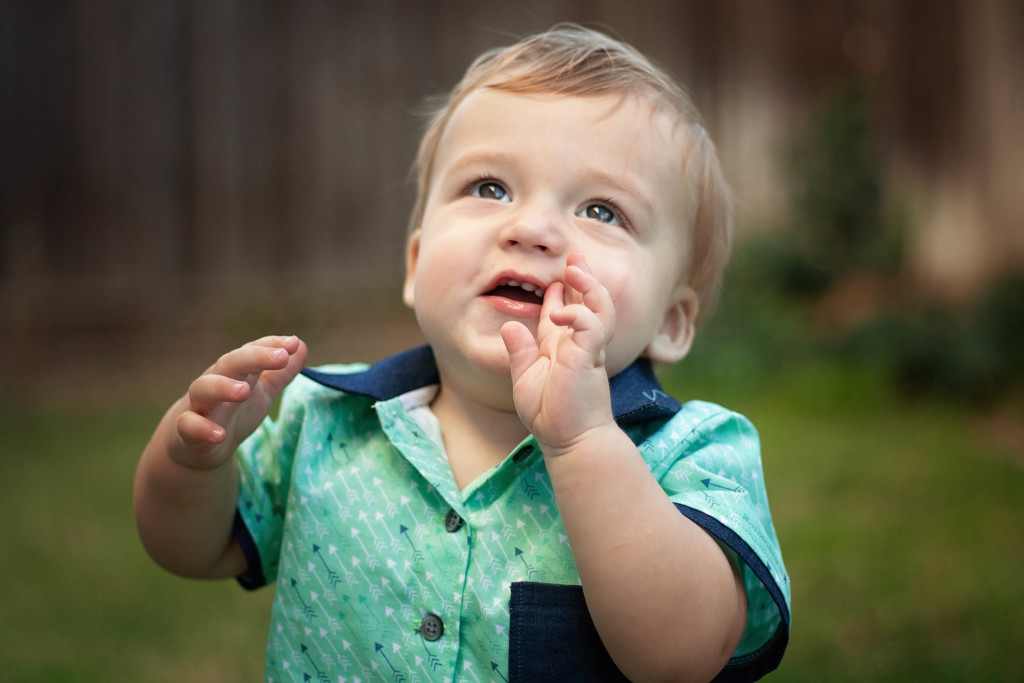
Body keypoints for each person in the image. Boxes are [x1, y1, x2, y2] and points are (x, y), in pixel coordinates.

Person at [134, 24, 790, 682]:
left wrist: (584, 441)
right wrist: (192, 463)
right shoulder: (326, 420)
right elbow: (196, 547)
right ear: (417, 264)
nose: (531, 228)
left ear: (671, 322)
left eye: (600, 209)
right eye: (490, 188)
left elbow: (682, 655)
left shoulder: (692, 456)